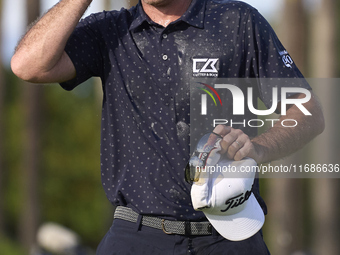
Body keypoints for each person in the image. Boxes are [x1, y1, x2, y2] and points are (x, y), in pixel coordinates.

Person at [11, 0, 325, 254]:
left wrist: (258, 148)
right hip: (135, 236)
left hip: (231, 231)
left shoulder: (238, 20)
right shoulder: (109, 30)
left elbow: (309, 112)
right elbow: (28, 65)